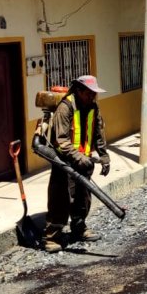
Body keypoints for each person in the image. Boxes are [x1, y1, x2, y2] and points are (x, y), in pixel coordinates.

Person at [44, 74, 111, 252]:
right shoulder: (65, 108)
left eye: (94, 93)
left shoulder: (93, 107)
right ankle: (52, 237)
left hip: (84, 161)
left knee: (83, 198)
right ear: (79, 91)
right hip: (64, 161)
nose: (92, 96)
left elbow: (98, 134)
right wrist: (78, 157)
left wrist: (104, 157)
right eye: (89, 93)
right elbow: (62, 140)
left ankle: (79, 228)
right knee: (61, 199)